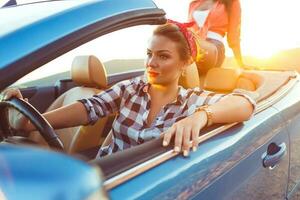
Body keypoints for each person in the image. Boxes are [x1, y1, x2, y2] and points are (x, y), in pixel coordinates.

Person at [1, 22, 255, 158]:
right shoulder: (131, 88)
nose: (151, 63)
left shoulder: (190, 101)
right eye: (149, 54)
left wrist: (201, 116)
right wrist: (32, 123)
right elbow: (91, 108)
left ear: (185, 63)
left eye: (163, 56)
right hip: (105, 175)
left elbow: (245, 102)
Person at [188, 0, 244, 72]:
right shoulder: (194, 3)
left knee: (190, 57)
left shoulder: (232, 2)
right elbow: (188, 29)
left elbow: (234, 36)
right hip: (193, 43)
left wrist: (240, 62)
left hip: (214, 45)